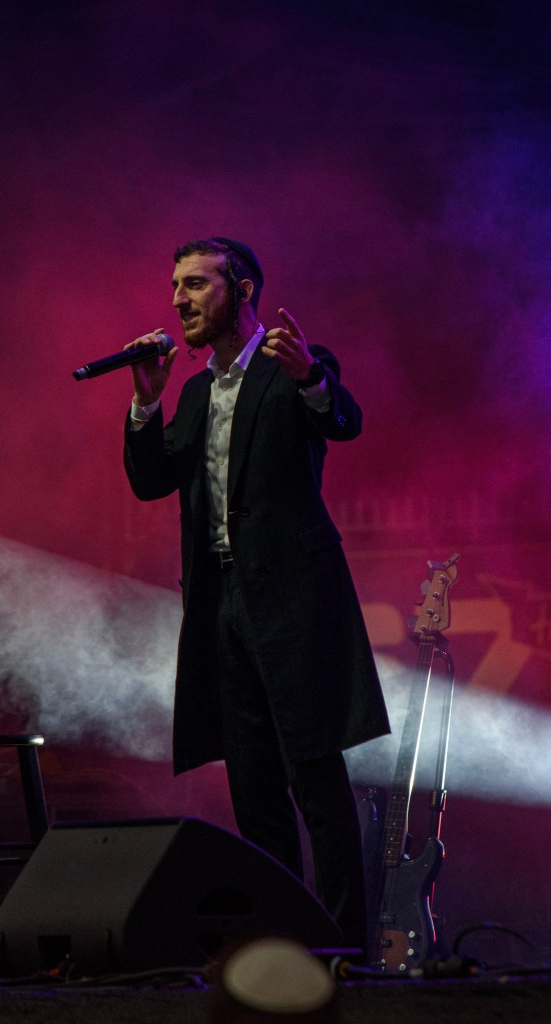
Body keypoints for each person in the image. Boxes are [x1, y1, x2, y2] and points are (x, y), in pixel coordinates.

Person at [123, 237, 389, 952]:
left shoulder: (290, 364)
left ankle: (342, 952)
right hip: (221, 604)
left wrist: (310, 379)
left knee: (315, 779)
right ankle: (283, 950)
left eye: (195, 284)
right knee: (252, 785)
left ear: (241, 291)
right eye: (174, 285)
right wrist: (145, 403)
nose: (178, 300)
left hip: (293, 604)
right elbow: (151, 481)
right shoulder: (194, 392)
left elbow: (343, 421)